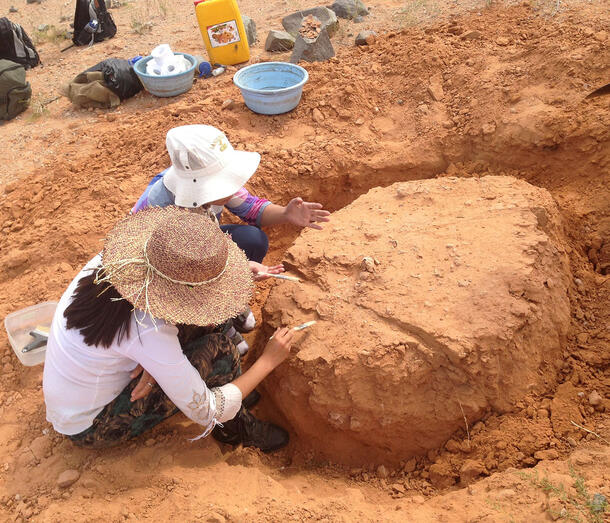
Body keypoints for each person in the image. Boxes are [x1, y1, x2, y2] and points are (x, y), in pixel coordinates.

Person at [43, 206, 295, 451]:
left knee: (211, 321)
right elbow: (207, 410)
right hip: (91, 423)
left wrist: (155, 365)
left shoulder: (115, 263)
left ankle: (233, 387)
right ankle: (236, 428)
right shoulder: (148, 328)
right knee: (222, 353)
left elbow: (138, 339)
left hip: (90, 386)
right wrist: (268, 361)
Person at [132, 124, 330, 351]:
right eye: (226, 180)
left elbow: (252, 209)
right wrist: (236, 272)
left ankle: (229, 306)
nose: (234, 185)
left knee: (252, 240)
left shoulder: (202, 179)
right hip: (163, 274)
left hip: (202, 249)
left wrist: (286, 213)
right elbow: (182, 273)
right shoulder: (163, 213)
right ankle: (216, 325)